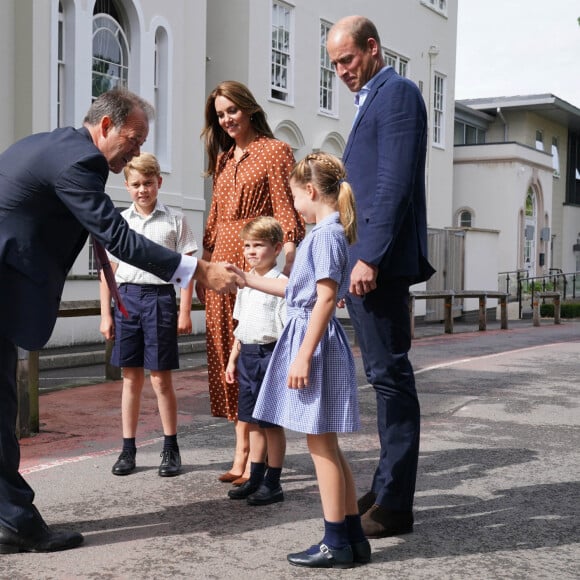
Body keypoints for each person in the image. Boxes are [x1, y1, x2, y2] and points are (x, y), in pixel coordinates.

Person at [0, 88, 239, 553]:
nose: (138, 149)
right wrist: (199, 269)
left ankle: (12, 518)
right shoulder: (79, 162)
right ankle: (17, 524)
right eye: (134, 138)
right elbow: (119, 240)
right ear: (106, 127)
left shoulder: (44, 144)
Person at [234, 153, 371, 569]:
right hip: (309, 337)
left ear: (310, 192)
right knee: (325, 443)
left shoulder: (324, 236)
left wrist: (303, 356)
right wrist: (245, 279)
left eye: (295, 198)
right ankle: (350, 537)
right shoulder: (325, 233)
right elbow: (298, 293)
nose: (294, 206)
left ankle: (335, 541)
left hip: (314, 344)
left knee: (320, 445)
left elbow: (326, 298)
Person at [326, 16, 435, 539]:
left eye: (347, 59)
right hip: (370, 263)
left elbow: (392, 184)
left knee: (391, 381)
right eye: (335, 64)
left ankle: (394, 503)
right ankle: (385, 486)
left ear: (372, 48)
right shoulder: (374, 97)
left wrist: (366, 257)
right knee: (384, 379)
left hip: (378, 265)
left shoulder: (398, 93)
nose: (341, 71)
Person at [198, 80, 305, 485]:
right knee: (228, 357)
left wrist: (291, 255)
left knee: (254, 355)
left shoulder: (275, 151)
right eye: (220, 114)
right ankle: (240, 449)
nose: (226, 120)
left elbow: (286, 208)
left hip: (253, 264)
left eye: (232, 111)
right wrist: (204, 267)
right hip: (220, 267)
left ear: (249, 108)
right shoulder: (224, 159)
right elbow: (213, 219)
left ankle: (253, 455)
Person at [99, 152, 198, 478]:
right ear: (126, 186)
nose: (143, 190)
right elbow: (107, 273)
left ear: (159, 182)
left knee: (160, 379)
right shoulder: (120, 222)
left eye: (148, 183)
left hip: (159, 300)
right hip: (127, 299)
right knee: (130, 378)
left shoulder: (174, 220)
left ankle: (171, 447)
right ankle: (128, 449)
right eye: (136, 184)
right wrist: (106, 314)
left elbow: (187, 269)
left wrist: (185, 310)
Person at [225, 216, 287, 505]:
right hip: (248, 356)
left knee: (271, 423)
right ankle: (255, 477)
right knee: (251, 422)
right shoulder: (245, 284)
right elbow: (241, 327)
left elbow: (287, 330)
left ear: (276, 249)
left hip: (270, 356)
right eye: (247, 245)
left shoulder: (281, 285)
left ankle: (273, 483)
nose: (250, 251)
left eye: (258, 245)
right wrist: (232, 360)